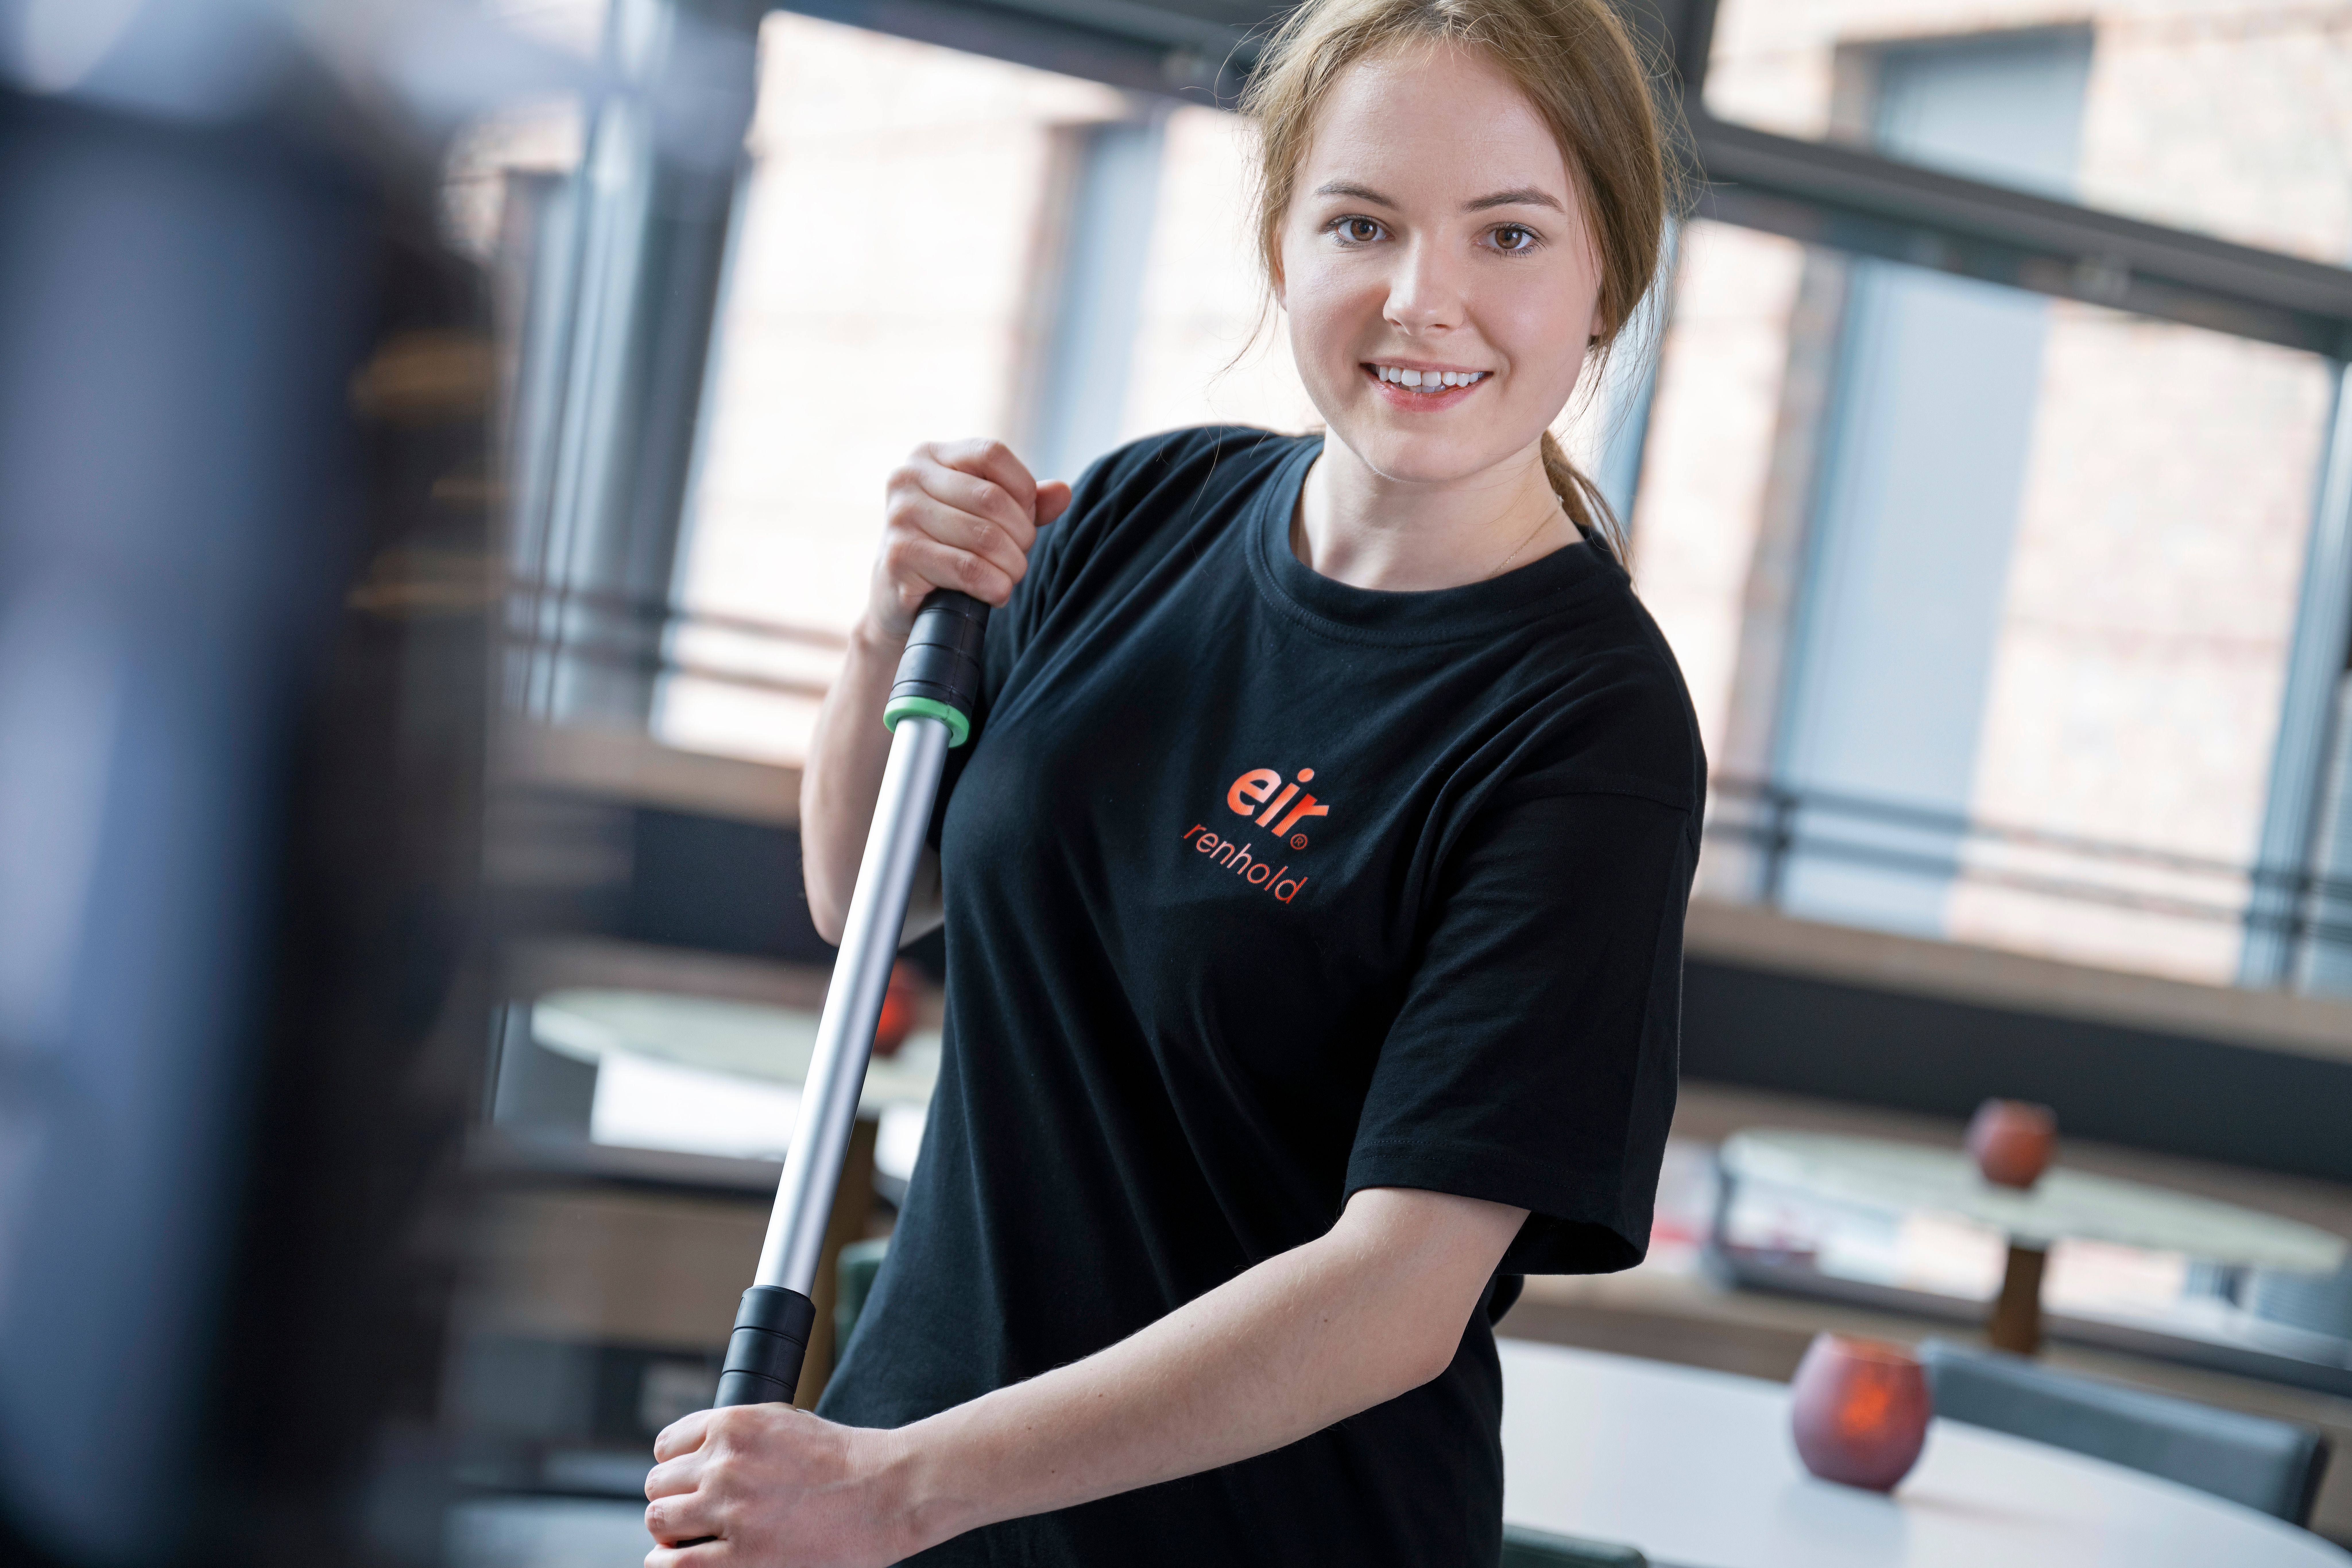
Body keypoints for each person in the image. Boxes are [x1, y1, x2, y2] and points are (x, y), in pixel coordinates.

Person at [644, 0, 1698, 1558]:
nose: (1426, 300)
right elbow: (864, 888)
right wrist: (889, 621)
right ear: (1283, 243)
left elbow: (1401, 1290)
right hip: (898, 1499)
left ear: (1610, 278)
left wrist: (895, 1486)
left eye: (1511, 236)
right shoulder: (1148, 510)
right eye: (1364, 223)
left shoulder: (1589, 726)